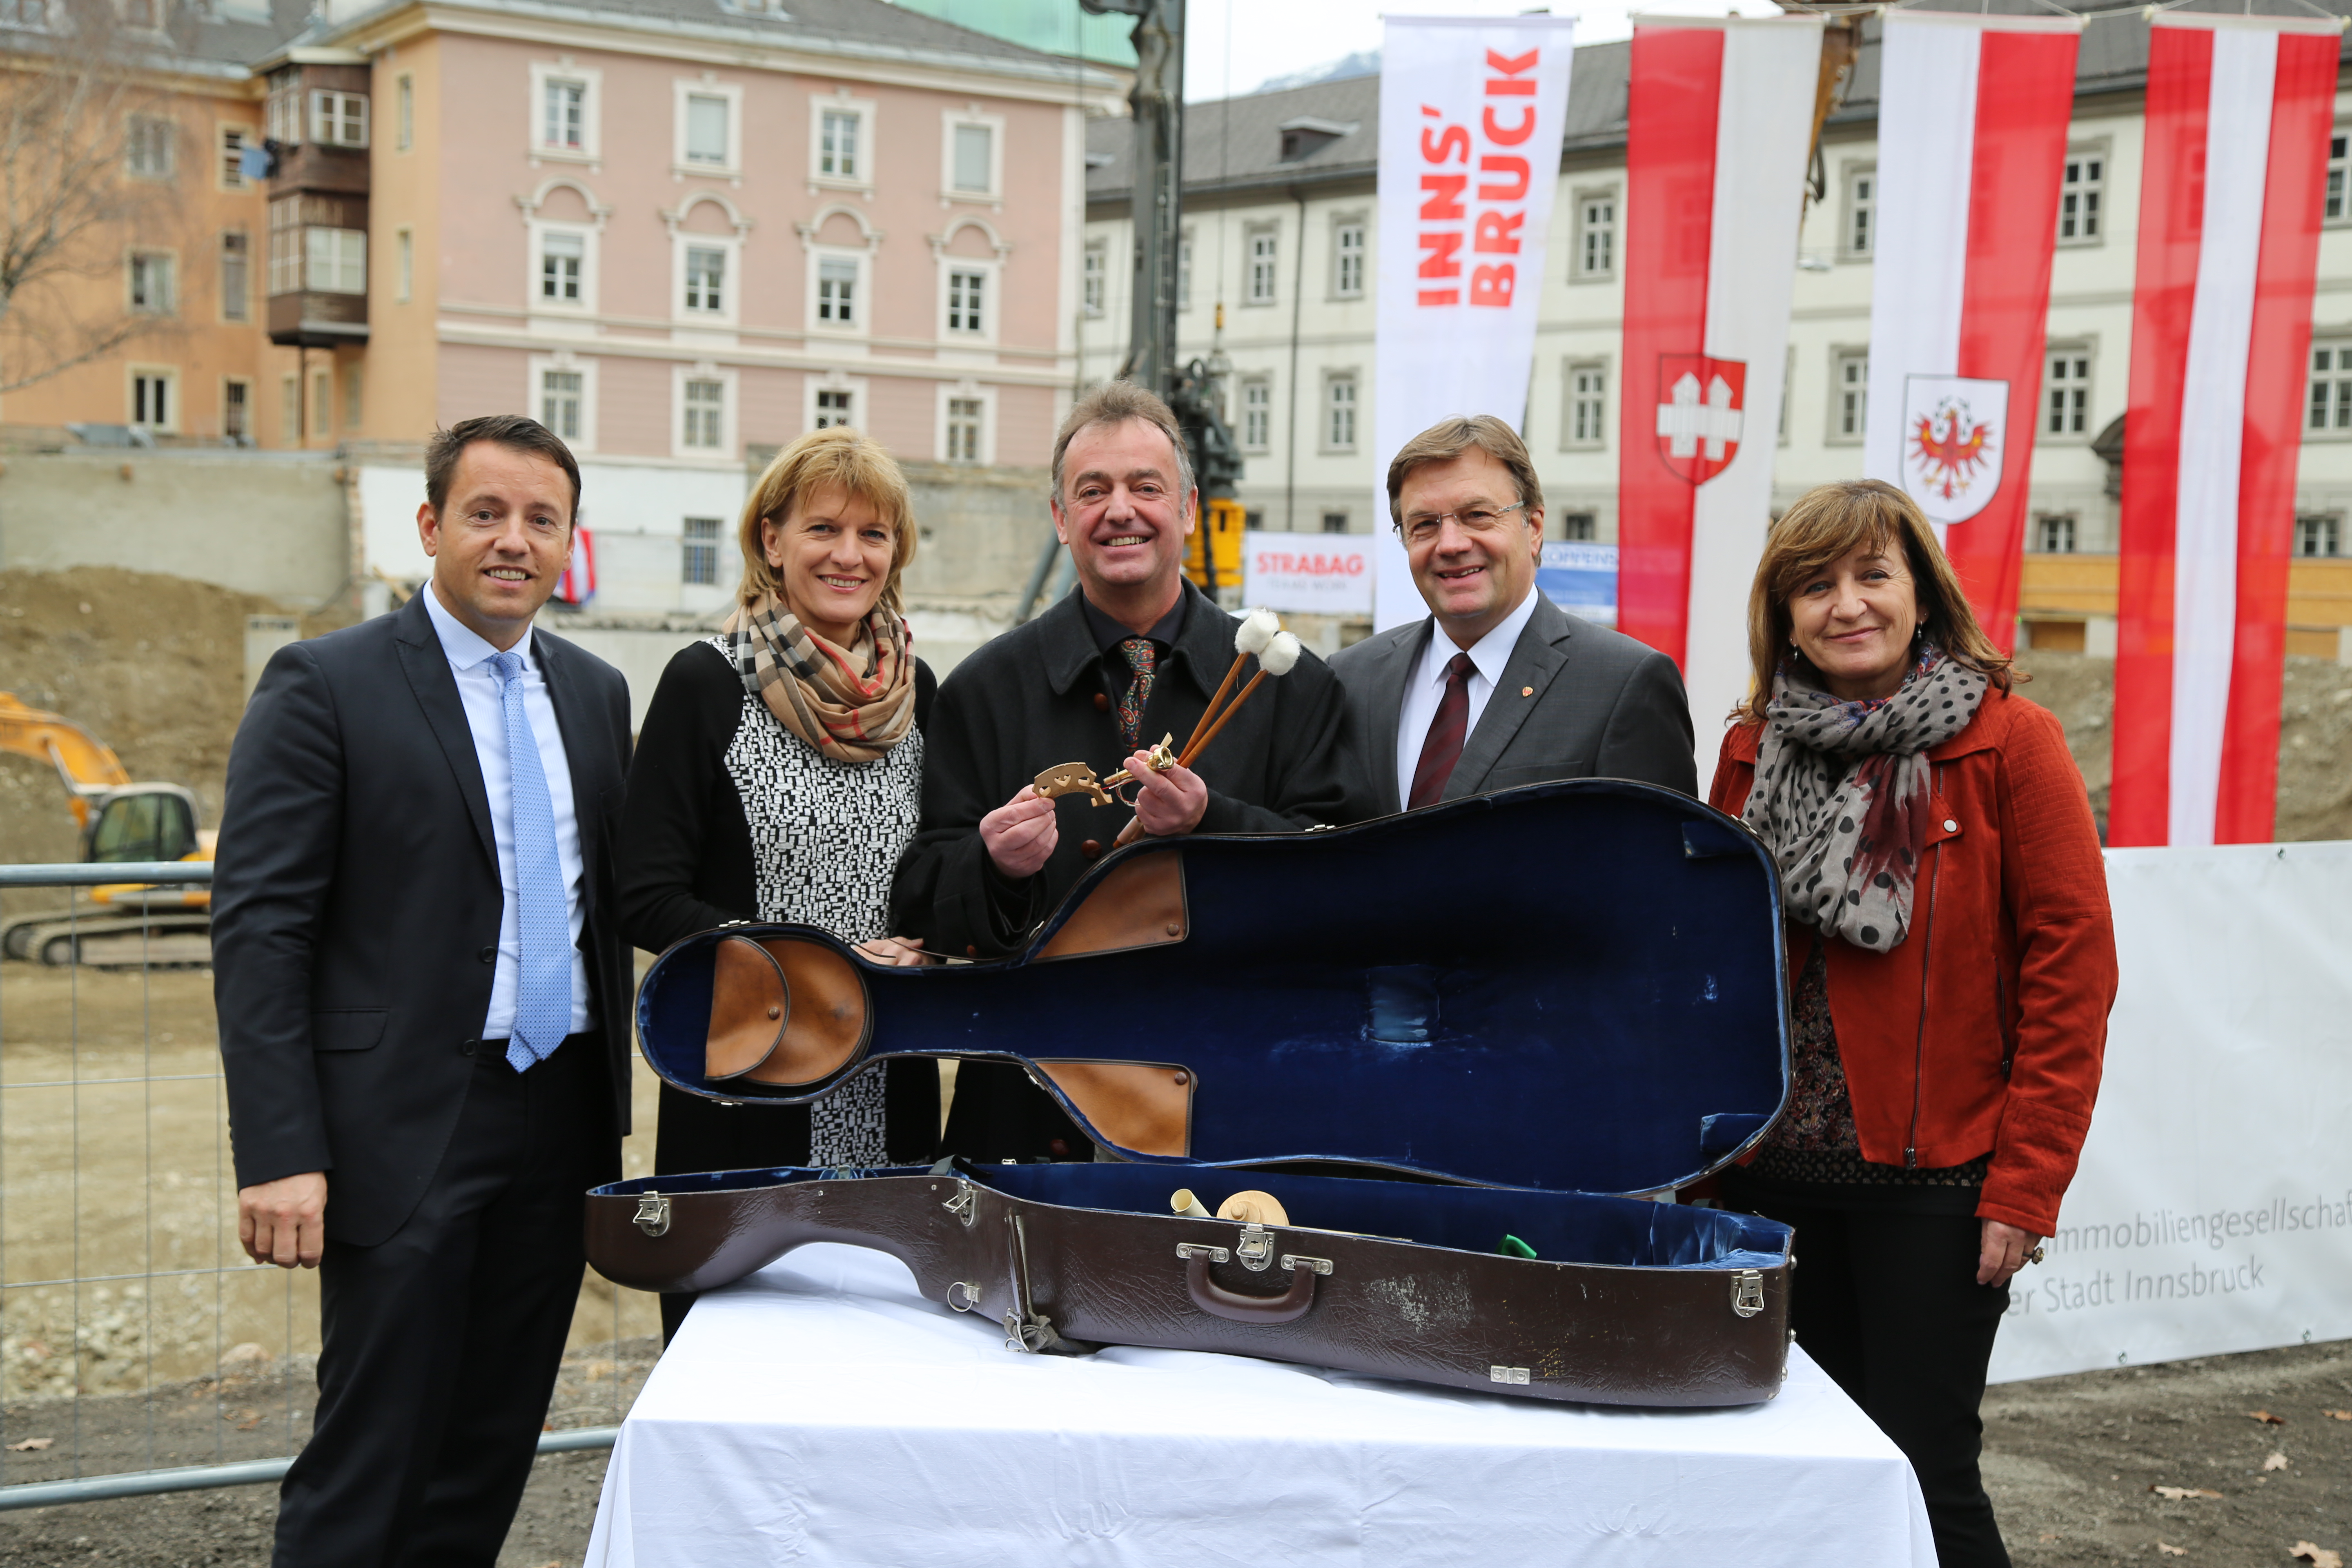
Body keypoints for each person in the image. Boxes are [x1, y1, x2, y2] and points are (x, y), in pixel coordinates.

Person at [212, 414, 634, 1567]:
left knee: (488, 1448)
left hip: (561, 1122)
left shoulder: (596, 695)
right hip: (398, 1127)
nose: (513, 541)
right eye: (486, 514)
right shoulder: (326, 683)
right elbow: (261, 929)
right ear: (431, 525)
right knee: (373, 1454)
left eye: (540, 519)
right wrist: (279, 1149)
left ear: (567, 541)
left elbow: (629, 898)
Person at [1705, 478, 2115, 1568]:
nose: (1847, 605)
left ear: (1922, 597)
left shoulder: (2009, 745)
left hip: (1937, 1188)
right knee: (1810, 1474)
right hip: (1770, 1177)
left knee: (1924, 1469)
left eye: (1872, 576)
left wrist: (2027, 1186)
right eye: (1814, 585)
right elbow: (1719, 961)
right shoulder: (1751, 749)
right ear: (1782, 614)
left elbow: (2072, 976)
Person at [893, 380, 1366, 1161]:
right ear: (1060, 518)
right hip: (1030, 1104)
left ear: (1186, 509)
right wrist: (995, 870)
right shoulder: (984, 688)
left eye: (1146, 488)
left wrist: (1215, 823)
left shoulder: (1291, 686)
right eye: (1093, 491)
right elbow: (918, 899)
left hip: (1236, 1103)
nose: (1120, 510)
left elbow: (1350, 879)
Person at [618, 428, 941, 1341]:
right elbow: (643, 892)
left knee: (887, 1352)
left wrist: (930, 934)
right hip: (742, 1087)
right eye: (824, 529)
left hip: (889, 1088)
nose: (849, 555)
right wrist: (802, 964)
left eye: (874, 535)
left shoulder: (924, 699)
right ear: (771, 541)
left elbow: (936, 883)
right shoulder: (704, 686)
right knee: (739, 1353)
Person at [1330, 416, 1696, 810]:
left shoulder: (1624, 684)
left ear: (1534, 527)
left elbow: (1656, 864)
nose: (1450, 544)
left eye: (1477, 515)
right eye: (1424, 525)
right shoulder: (1351, 680)